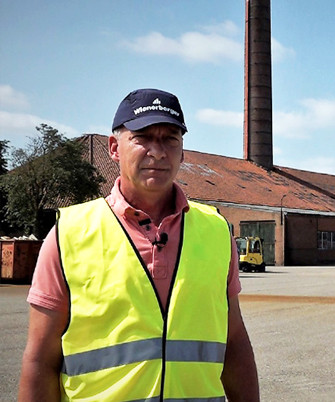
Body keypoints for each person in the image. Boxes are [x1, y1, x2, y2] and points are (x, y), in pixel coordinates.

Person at [18, 88, 259, 401]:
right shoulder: (69, 235)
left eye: (170, 138)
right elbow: (40, 360)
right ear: (114, 148)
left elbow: (235, 343)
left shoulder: (215, 231)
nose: (157, 152)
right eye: (143, 137)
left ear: (183, 152)